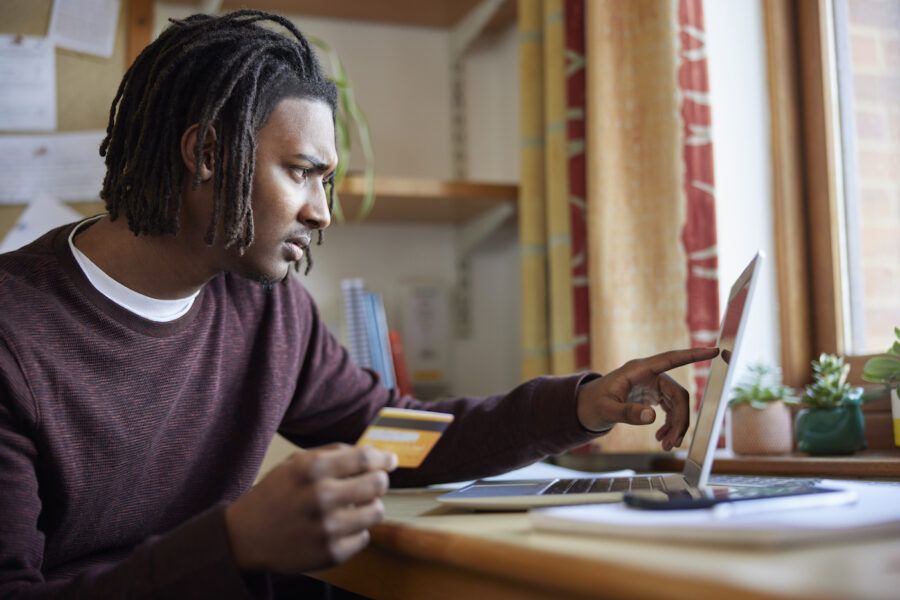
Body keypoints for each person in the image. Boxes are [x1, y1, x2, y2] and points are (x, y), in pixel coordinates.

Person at [0, 10, 717, 599]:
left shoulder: (269, 312)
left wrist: (583, 404)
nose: (322, 213)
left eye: (328, 183)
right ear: (207, 154)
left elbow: (393, 437)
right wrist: (235, 542)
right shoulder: (14, 334)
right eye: (302, 174)